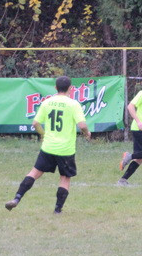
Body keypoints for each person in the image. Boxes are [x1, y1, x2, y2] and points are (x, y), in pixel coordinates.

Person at [5, 76, 91, 214]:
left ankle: (17, 198)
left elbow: (35, 123)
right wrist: (87, 133)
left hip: (48, 147)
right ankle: (57, 210)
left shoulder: (47, 102)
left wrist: (43, 134)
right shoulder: (73, 104)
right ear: (70, 88)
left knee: (34, 173)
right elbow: (82, 125)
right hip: (65, 149)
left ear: (55, 88)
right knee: (65, 178)